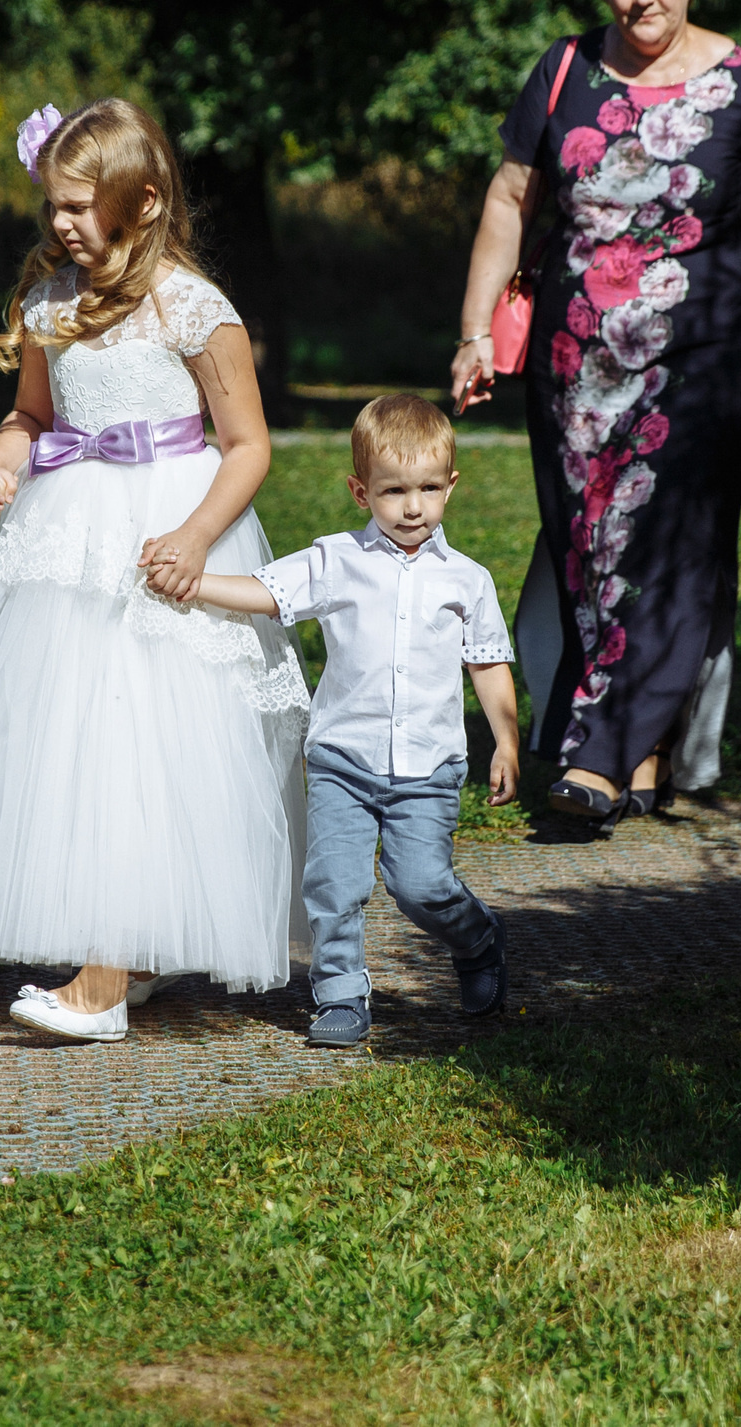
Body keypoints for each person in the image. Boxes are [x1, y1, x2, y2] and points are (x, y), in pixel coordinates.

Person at [0, 98, 310, 1042]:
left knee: (151, 740)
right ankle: (127, 951)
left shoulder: (194, 306)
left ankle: (104, 980)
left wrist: (197, 535)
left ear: (144, 201)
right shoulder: (48, 304)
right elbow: (33, 416)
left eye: (79, 206)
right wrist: (0, 465)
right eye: (52, 207)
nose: (61, 225)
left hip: (164, 531)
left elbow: (246, 445)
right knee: (76, 734)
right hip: (70, 536)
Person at [450, 0, 741, 833]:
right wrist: (474, 332)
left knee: (676, 551)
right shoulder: (566, 68)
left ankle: (599, 760)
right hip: (578, 367)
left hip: (705, 357)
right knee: (594, 555)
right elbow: (509, 200)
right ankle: (642, 749)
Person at [194, 395, 519, 1048]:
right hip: (343, 756)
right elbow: (268, 591)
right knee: (334, 883)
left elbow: (486, 662)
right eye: (393, 490)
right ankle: (341, 993)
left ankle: (476, 937)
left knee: (420, 883)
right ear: (359, 489)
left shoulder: (468, 579)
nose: (412, 506)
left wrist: (506, 739)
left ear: (450, 485)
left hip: (428, 764)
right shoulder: (337, 559)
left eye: (429, 488)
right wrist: (196, 583)